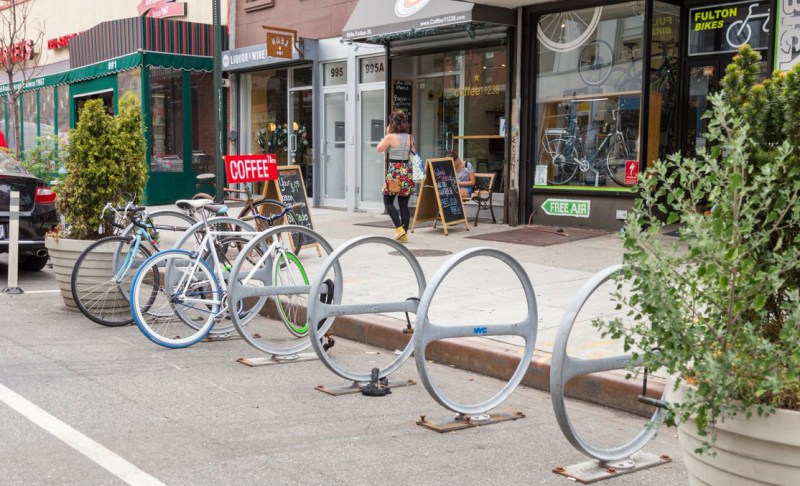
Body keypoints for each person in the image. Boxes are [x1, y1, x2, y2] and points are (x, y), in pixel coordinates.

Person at [377, 110, 415, 243]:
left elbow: (379, 149)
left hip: (394, 172)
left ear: (392, 123)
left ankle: (399, 229)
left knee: (388, 202)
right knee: (404, 205)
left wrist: (387, 134)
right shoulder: (410, 137)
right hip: (407, 172)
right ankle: (404, 235)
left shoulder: (390, 137)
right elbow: (414, 153)